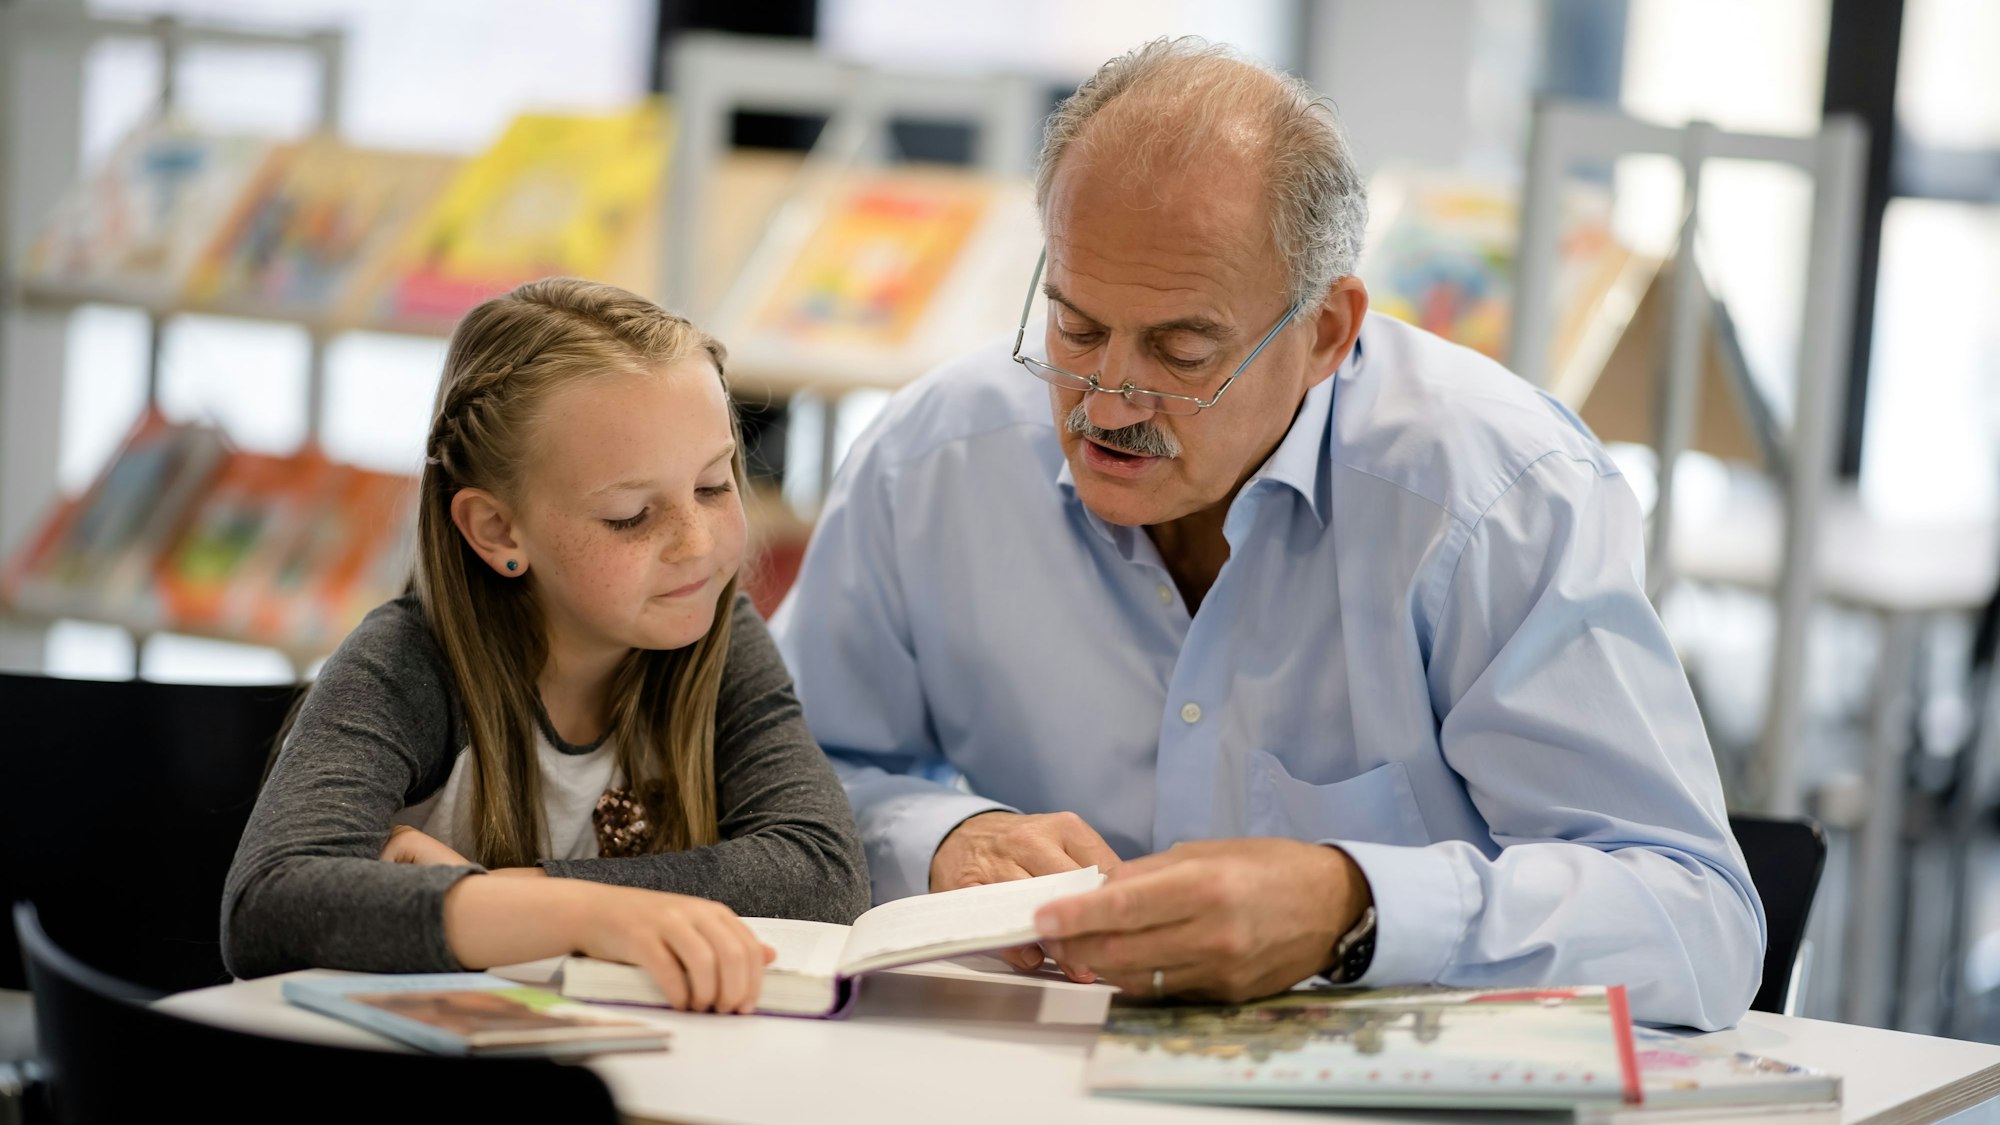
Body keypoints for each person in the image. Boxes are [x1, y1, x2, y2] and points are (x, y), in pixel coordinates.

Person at [770, 39, 1764, 1030]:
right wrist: (945, 839)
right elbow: (776, 781)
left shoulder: (1494, 494)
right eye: (1074, 327)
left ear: (1326, 332)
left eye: (1179, 349)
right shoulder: (935, 457)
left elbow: (1698, 920)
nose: (1105, 400)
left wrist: (1352, 907)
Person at [224, 278, 870, 1014]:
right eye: (631, 516)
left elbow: (820, 872)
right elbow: (271, 901)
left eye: (716, 485)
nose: (696, 545)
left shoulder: (722, 639)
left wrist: (511, 895)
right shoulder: (408, 662)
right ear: (498, 530)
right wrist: (592, 917)